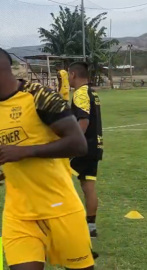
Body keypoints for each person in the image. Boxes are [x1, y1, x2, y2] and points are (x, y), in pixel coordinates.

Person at [0, 46, 96, 270]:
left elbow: (78, 143)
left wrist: (27, 152)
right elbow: (12, 149)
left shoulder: (39, 96)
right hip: (18, 213)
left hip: (60, 208)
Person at [68, 62, 103, 239]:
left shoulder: (80, 93)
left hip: (82, 147)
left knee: (59, 181)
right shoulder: (93, 92)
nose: (67, 78)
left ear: (73, 74)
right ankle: (91, 227)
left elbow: (83, 121)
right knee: (88, 186)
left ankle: (63, 222)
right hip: (95, 146)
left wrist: (72, 142)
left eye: (68, 75)